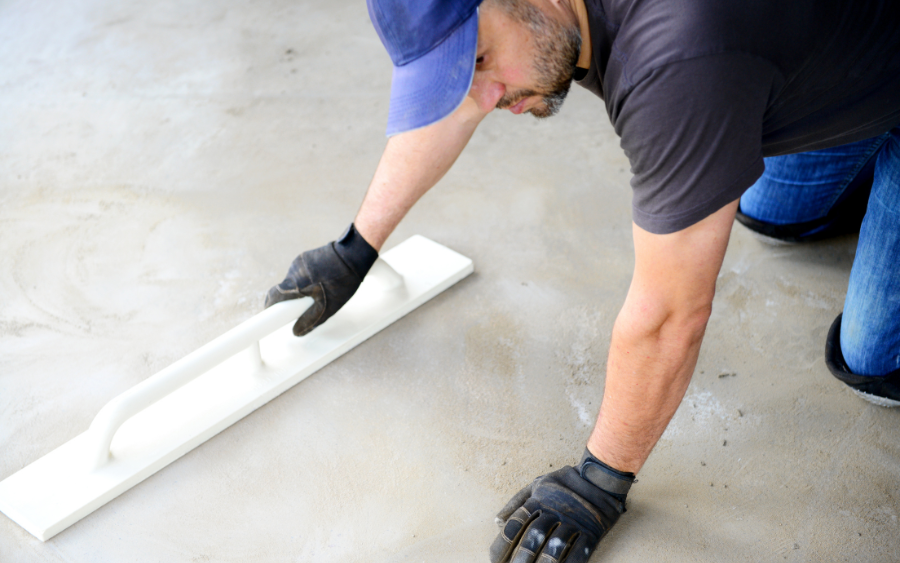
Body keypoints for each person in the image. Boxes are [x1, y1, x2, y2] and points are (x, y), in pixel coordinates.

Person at [264, 0, 900, 560]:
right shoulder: (533, 21)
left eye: (481, 60)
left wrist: (601, 478)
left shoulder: (676, 61)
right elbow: (459, 105)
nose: (486, 98)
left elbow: (671, 313)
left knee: (872, 360)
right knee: (772, 214)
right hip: (822, 40)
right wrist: (356, 247)